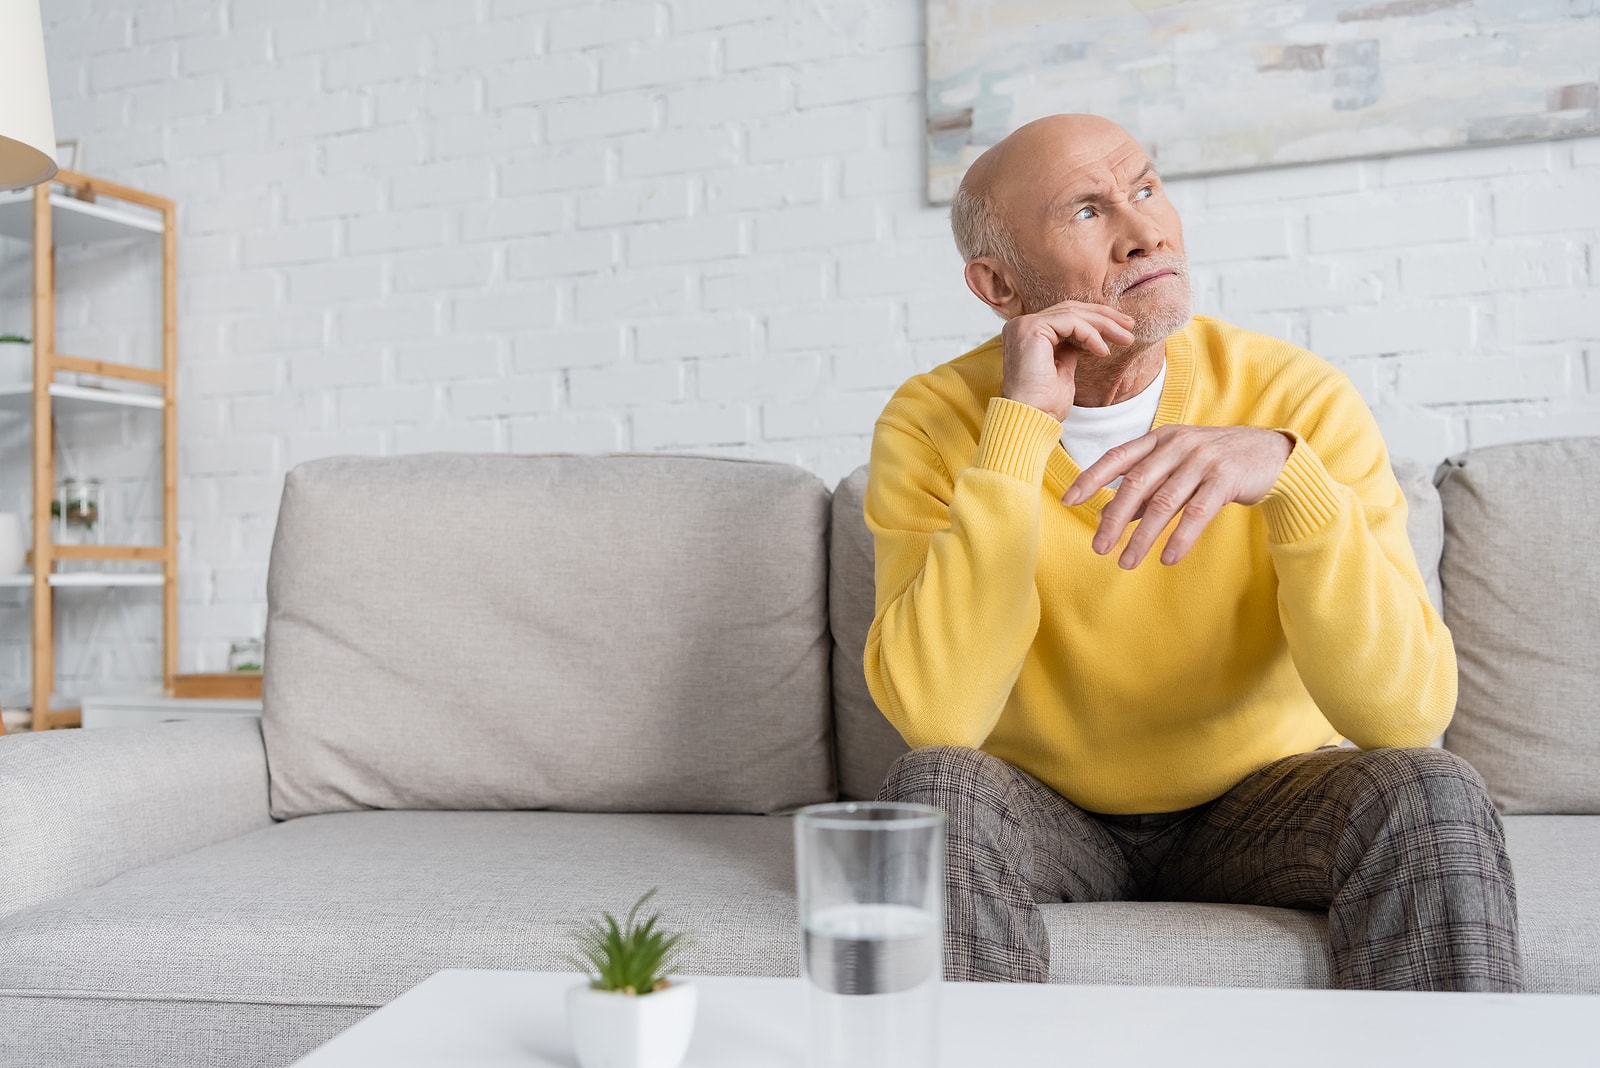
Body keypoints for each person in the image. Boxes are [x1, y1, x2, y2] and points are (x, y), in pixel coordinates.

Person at [864, 113, 1521, 991]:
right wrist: (1019, 431)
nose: (1147, 233)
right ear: (998, 282)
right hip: (1050, 810)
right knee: (933, 794)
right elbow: (937, 717)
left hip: (1262, 805)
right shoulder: (930, 420)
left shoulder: (1296, 395)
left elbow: (1404, 719)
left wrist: (1292, 480)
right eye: (1088, 212)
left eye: (1144, 188)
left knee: (1431, 791)